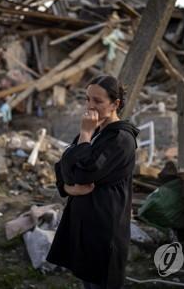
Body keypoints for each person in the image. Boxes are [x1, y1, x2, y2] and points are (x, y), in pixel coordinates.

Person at [46, 75, 140, 289]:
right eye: (88, 99)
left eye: (98, 101)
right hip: (84, 221)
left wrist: (85, 134)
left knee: (100, 280)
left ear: (115, 104)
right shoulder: (97, 131)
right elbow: (63, 165)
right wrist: (69, 187)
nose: (90, 106)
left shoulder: (121, 139)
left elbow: (83, 172)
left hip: (104, 226)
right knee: (87, 279)